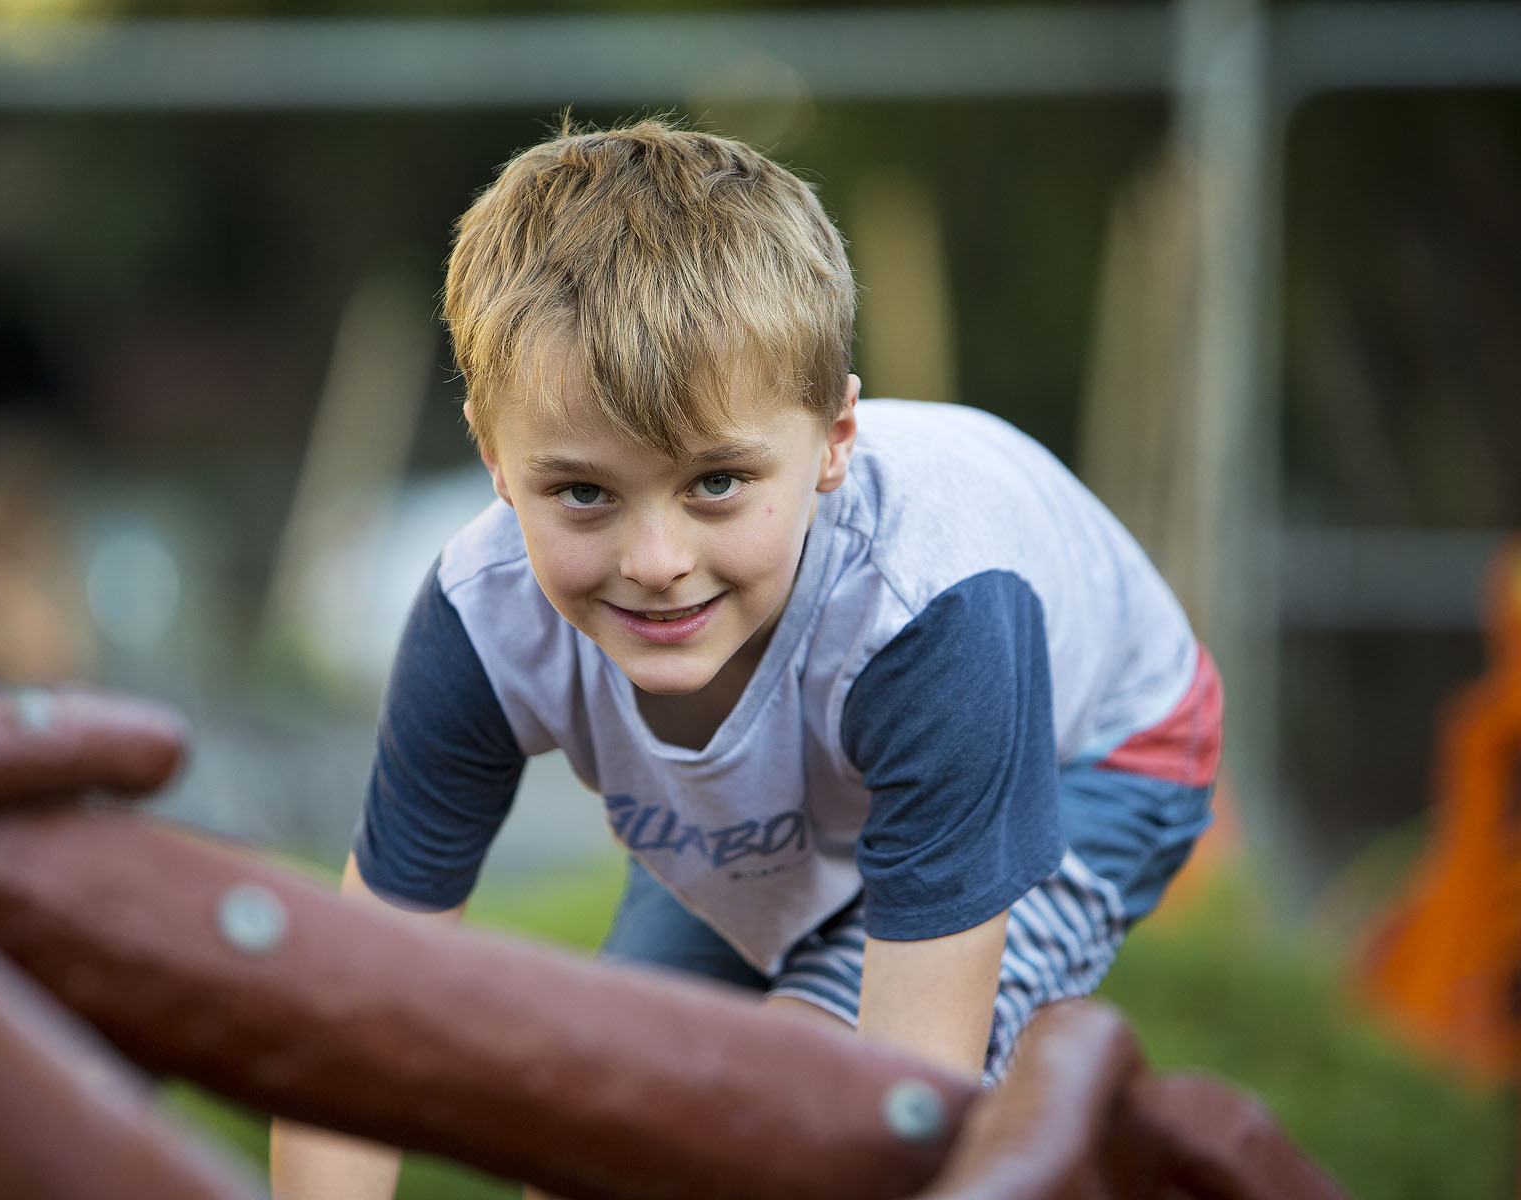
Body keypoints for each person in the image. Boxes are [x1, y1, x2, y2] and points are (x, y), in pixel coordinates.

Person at [269, 117, 1221, 1199]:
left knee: (778, 1108)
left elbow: (899, 1103)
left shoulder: (930, 610)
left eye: (716, 482)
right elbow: (358, 1001)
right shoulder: (481, 617)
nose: (657, 562)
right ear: (496, 462)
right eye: (584, 493)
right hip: (810, 785)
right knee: (591, 1145)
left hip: (1096, 751)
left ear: (835, 442)